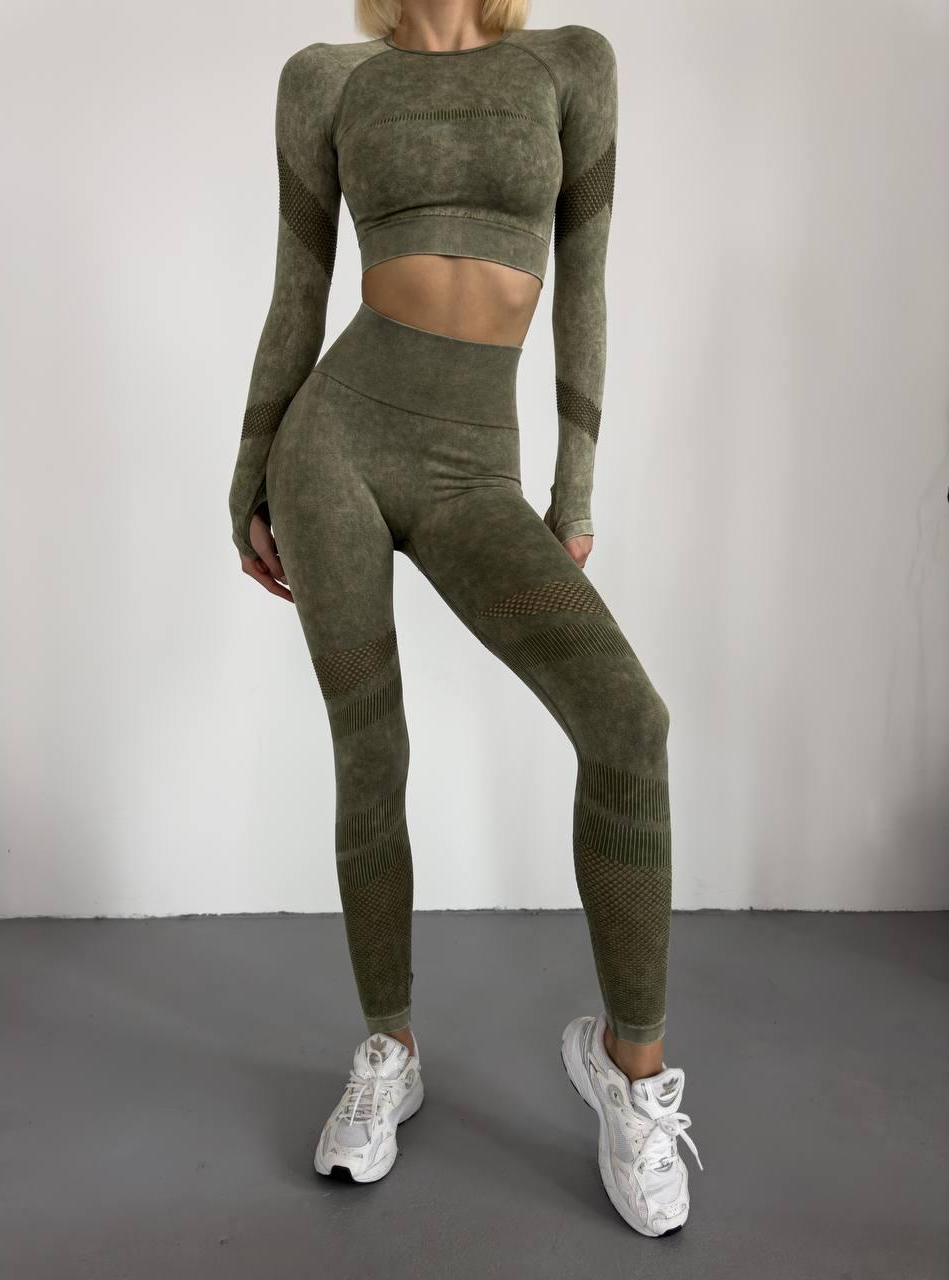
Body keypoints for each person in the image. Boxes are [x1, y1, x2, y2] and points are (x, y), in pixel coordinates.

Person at [227, 0, 702, 1237]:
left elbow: (586, 280)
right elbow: (296, 290)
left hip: (474, 470)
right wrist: (248, 477)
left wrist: (575, 485)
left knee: (627, 721)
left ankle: (631, 1072)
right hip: (334, 445)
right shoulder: (327, 78)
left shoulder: (570, 64)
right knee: (370, 749)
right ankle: (388, 1047)